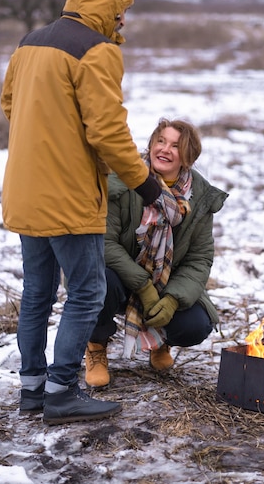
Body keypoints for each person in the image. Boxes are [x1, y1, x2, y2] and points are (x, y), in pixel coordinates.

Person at [0, 0, 161, 426]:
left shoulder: (30, 43)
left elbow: (10, 104)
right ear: (106, 1)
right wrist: (148, 187)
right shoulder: (96, 51)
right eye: (121, 6)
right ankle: (62, 392)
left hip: (26, 191)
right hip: (69, 198)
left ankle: (33, 391)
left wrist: (47, 138)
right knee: (87, 293)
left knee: (37, 293)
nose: (124, 16)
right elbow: (108, 133)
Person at [84, 118, 228, 388]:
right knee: (98, 279)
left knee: (196, 323)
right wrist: (143, 286)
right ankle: (95, 345)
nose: (165, 149)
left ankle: (160, 341)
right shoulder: (123, 178)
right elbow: (104, 242)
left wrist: (172, 299)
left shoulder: (199, 197)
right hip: (120, 276)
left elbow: (199, 258)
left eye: (175, 145)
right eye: (160, 141)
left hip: (164, 282)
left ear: (188, 157)